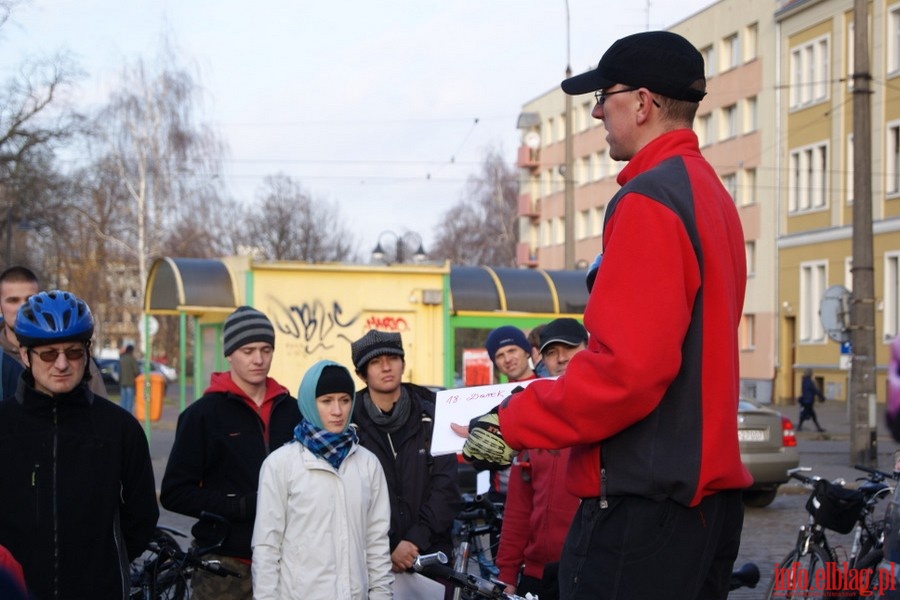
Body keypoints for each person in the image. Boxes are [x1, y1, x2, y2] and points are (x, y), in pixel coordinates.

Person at [462, 31, 751, 600]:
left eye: (604, 96)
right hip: (702, 507)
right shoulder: (710, 196)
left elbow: (627, 373)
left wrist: (512, 423)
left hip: (645, 513)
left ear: (642, 103)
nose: (596, 110)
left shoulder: (649, 199)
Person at [0, 290, 158, 598]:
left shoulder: (120, 428)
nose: (61, 364)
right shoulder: (4, 426)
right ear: (24, 355)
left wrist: (102, 563)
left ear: (86, 353)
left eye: (73, 353)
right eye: (48, 354)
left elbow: (142, 518)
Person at [161, 305, 302, 600]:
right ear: (229, 353)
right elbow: (175, 492)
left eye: (266, 349)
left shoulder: (294, 410)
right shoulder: (202, 415)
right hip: (225, 565)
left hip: (289, 561)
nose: (259, 359)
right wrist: (238, 506)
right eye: (248, 350)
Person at [252, 360, 393, 599]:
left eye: (345, 400)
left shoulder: (368, 464)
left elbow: (377, 544)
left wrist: (381, 596)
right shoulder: (281, 465)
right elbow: (266, 547)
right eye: (326, 401)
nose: (337, 411)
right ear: (309, 403)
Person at [349, 330, 461, 582]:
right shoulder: (349, 423)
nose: (386, 367)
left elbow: (447, 488)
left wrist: (414, 539)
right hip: (371, 561)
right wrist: (388, 545)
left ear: (403, 363)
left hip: (430, 556)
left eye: (393, 358)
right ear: (361, 373)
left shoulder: (432, 415)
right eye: (375, 362)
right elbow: (347, 497)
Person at [495, 317, 587, 599]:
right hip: (538, 575)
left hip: (590, 571)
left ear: (588, 348)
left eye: (569, 348)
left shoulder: (608, 416)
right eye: (551, 352)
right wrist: (507, 574)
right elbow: (518, 508)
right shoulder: (532, 418)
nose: (560, 359)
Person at [0, 265, 108, 397]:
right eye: (13, 300)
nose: (23, 307)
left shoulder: (76, 359)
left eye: (29, 300)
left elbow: (99, 409)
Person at [797, 368, 826, 432]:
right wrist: (821, 396)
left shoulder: (804, 381)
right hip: (808, 400)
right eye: (811, 373)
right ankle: (818, 428)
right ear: (809, 374)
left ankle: (800, 427)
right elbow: (814, 390)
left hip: (805, 400)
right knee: (810, 415)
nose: (812, 374)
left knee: (809, 415)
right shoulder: (809, 382)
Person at [119, 343, 140, 413]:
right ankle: (128, 415)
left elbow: (119, 371)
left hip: (122, 382)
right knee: (129, 401)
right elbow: (136, 371)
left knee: (123, 400)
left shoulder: (121, 359)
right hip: (130, 383)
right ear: (131, 351)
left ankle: (121, 414)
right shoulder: (132, 359)